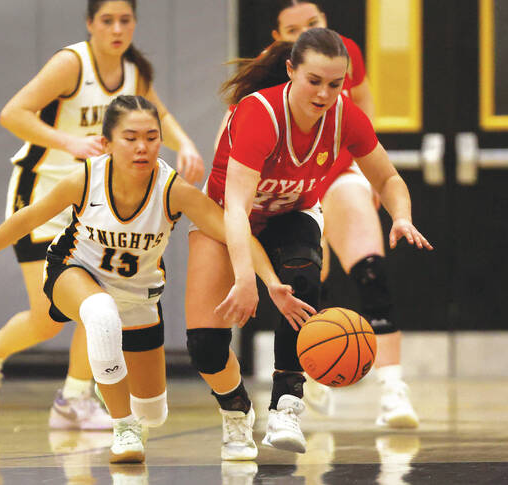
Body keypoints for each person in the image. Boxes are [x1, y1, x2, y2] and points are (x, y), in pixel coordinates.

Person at [0, 95, 313, 463]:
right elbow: (26, 219)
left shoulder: (173, 189)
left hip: (140, 297)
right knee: (100, 315)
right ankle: (121, 426)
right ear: (108, 142)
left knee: (152, 411)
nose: (142, 147)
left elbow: (235, 232)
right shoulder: (85, 179)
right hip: (72, 271)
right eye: (130, 138)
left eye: (151, 138)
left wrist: (270, 282)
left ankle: (139, 417)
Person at [185, 28, 432, 461]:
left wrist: (402, 216)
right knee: (205, 344)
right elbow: (237, 210)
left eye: (335, 84)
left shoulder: (346, 117)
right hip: (227, 217)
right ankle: (236, 413)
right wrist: (247, 278)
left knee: (302, 281)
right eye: (314, 81)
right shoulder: (259, 113)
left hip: (290, 215)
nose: (324, 93)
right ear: (290, 71)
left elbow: (388, 178)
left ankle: (286, 405)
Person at [0, 0, 205, 430]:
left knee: (101, 301)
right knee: (47, 318)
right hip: (44, 190)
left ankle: (74, 397)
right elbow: (12, 113)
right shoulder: (71, 64)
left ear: (134, 25)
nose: (116, 28)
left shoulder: (134, 71)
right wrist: (68, 143)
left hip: (96, 202)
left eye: (125, 20)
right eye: (106, 20)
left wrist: (184, 143)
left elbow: (158, 112)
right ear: (90, 24)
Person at [267, 0, 419, 428]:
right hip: (289, 190)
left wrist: (368, 167)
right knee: (309, 286)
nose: (305, 33)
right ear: (280, 42)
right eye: (293, 29)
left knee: (371, 271)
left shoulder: (343, 54)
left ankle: (392, 389)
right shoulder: (264, 76)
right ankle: (314, 375)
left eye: (312, 24)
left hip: (337, 173)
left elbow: (364, 104)